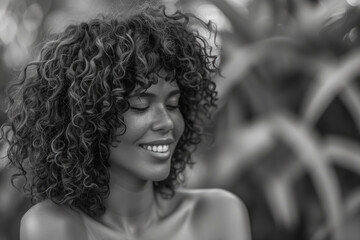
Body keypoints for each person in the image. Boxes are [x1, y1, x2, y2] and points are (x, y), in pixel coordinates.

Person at [1, 4, 250, 240]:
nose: (167, 122)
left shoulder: (219, 214)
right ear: (90, 119)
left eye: (173, 105)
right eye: (141, 106)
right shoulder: (53, 226)